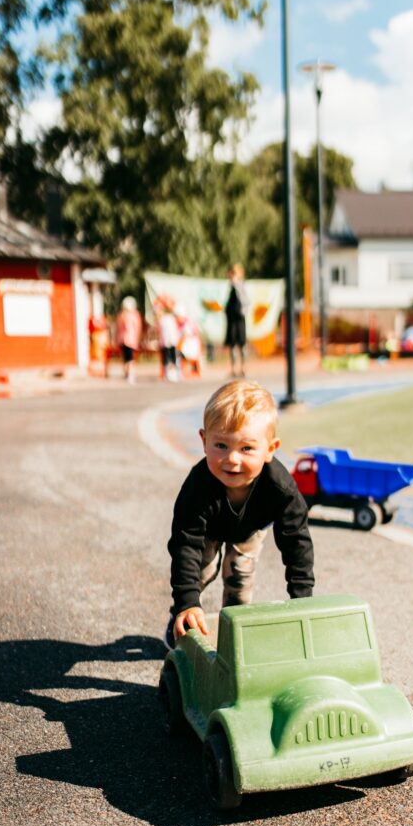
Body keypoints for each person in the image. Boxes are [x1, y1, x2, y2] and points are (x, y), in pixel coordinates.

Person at [164, 380, 314, 648]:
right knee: (200, 572)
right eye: (221, 445)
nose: (232, 459)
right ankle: (183, 618)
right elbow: (185, 543)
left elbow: (296, 541)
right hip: (208, 531)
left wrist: (302, 600)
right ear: (204, 440)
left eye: (246, 448)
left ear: (270, 449)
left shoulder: (281, 488)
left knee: (239, 582)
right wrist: (187, 602)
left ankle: (233, 639)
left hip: (249, 530)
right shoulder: (198, 486)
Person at [224, 263, 249, 378]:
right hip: (232, 320)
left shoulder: (240, 285)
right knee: (232, 344)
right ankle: (233, 368)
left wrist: (243, 312)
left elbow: (246, 301)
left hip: (239, 319)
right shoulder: (230, 287)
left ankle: (243, 367)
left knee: (241, 343)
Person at [116, 296, 143, 382]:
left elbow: (118, 328)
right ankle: (130, 374)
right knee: (131, 358)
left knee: (125, 358)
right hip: (131, 339)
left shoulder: (121, 315)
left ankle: (126, 373)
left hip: (122, 339)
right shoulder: (134, 315)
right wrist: (138, 338)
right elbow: (137, 327)